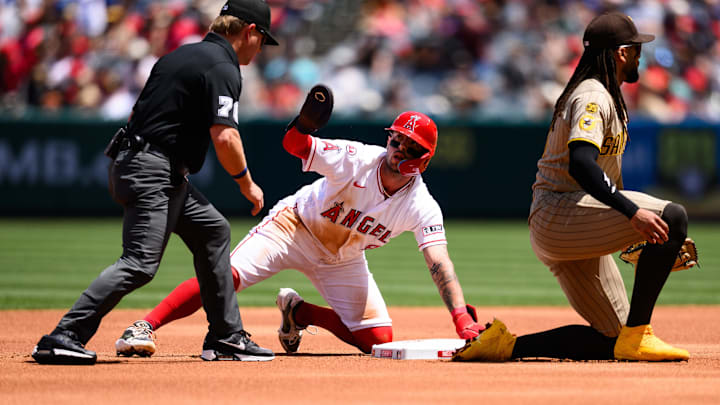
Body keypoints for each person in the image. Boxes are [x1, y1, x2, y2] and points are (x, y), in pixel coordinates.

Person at [114, 87, 485, 356]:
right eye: (396, 140)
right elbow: (295, 146)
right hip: (293, 228)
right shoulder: (356, 158)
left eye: (410, 147)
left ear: (425, 158)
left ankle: (299, 312)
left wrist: (460, 319)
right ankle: (145, 325)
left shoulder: (421, 204)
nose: (398, 150)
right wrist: (302, 125)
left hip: (344, 258)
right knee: (225, 277)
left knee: (379, 341)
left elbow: (439, 262)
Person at [31, 0, 280, 365]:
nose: (261, 49)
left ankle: (226, 337)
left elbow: (142, 113)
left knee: (212, 230)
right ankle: (64, 335)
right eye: (263, 40)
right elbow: (225, 136)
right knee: (140, 263)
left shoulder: (177, 56)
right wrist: (246, 183)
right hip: (153, 170)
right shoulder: (223, 66)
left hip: (146, 164)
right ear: (250, 31)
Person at [453, 11, 689, 363]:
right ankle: (641, 335)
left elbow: (598, 175)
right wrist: (633, 215)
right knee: (674, 216)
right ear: (621, 53)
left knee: (613, 338)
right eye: (636, 49)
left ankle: (504, 345)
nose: (641, 55)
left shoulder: (603, 93)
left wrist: (637, 232)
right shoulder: (592, 96)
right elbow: (581, 164)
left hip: (568, 219)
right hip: (560, 213)